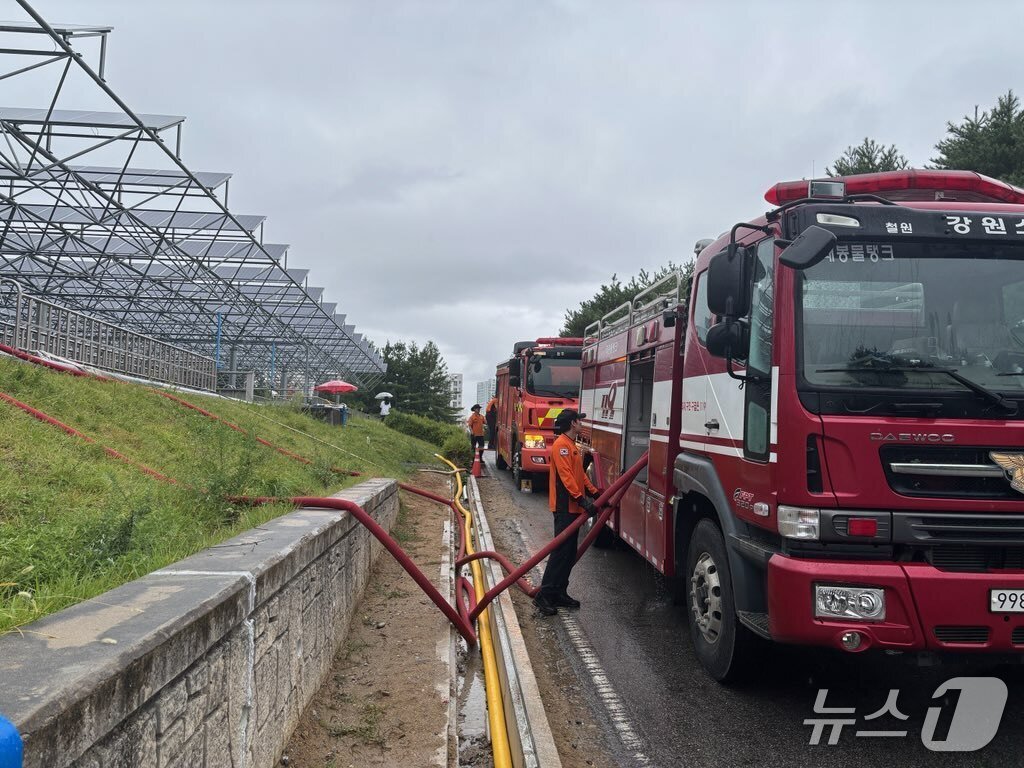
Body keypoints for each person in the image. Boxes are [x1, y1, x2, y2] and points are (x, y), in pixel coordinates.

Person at [534, 408, 599, 616]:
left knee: (569, 553)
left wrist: (595, 493)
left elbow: (579, 475)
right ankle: (543, 595)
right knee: (560, 552)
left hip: (573, 507)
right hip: (565, 508)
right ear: (572, 423)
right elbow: (566, 478)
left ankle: (559, 592)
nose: (581, 424)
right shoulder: (561, 446)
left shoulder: (571, 445)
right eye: (579, 421)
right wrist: (582, 500)